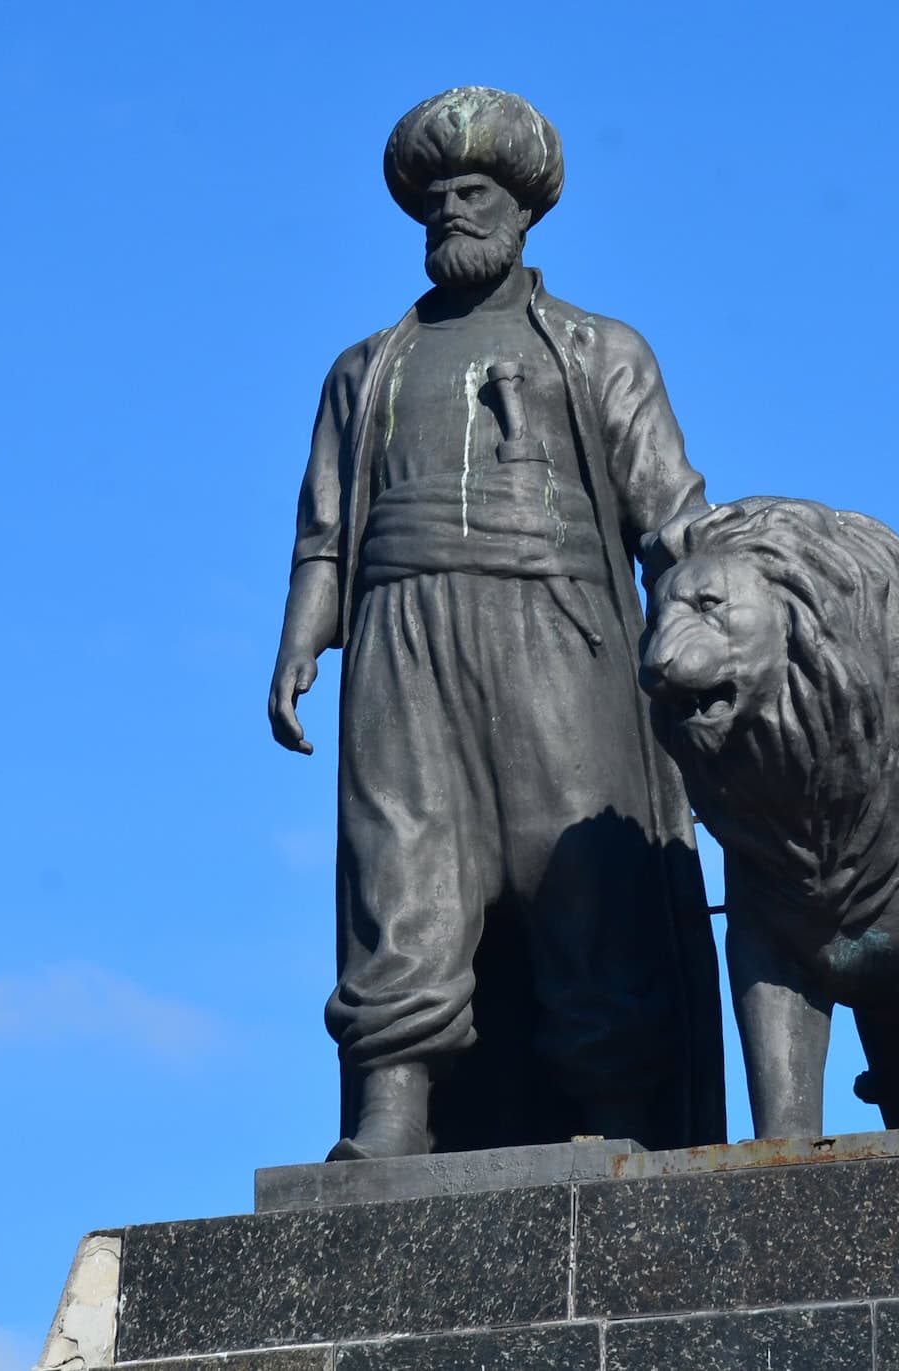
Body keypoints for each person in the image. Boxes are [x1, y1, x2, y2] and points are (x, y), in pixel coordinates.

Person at [267, 88, 724, 1160]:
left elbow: (672, 518)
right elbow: (326, 526)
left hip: (556, 629)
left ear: (522, 210)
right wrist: (302, 632)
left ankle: (612, 1111)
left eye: (471, 194)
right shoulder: (362, 368)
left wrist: (718, 634)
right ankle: (392, 1112)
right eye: (433, 200)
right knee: (403, 866)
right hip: (401, 637)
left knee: (580, 872)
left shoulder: (601, 350)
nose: (450, 214)